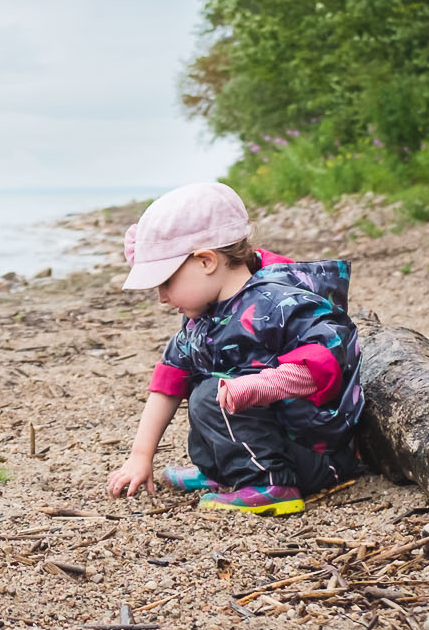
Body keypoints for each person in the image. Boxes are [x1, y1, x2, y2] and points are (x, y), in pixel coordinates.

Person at [104, 181, 363, 515]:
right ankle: (224, 471)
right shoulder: (204, 318)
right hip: (277, 442)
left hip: (315, 454)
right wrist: (140, 456)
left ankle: (269, 484)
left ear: (206, 261)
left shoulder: (280, 301)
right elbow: (168, 381)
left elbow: (325, 361)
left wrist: (263, 384)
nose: (162, 298)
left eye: (166, 282)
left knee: (214, 391)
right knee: (201, 383)